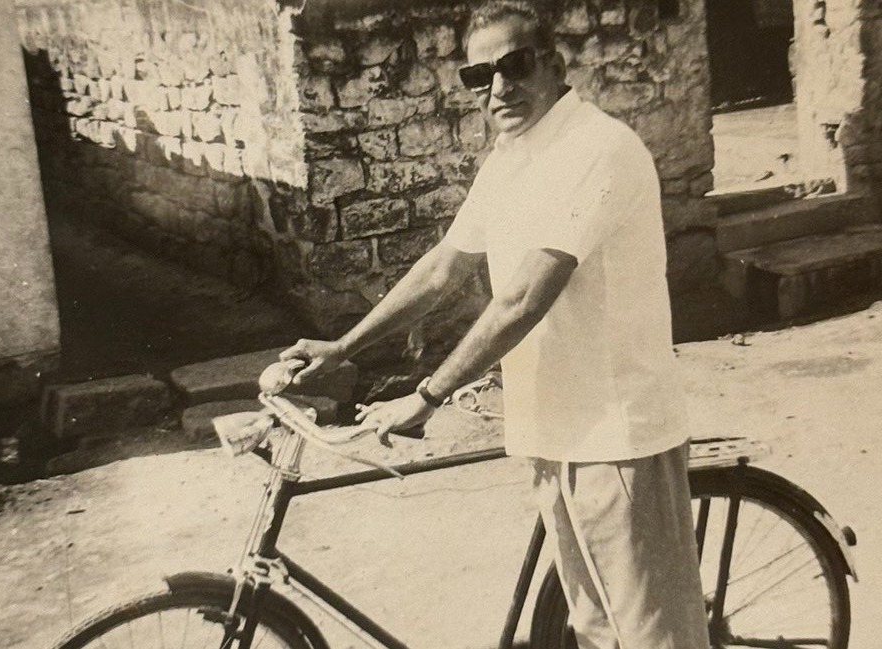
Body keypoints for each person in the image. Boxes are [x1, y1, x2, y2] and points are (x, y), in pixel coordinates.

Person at [269, 1, 710, 646]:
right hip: (551, 427)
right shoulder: (513, 155)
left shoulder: (598, 149)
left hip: (618, 435)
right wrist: (342, 347)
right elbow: (444, 268)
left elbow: (524, 297)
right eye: (480, 76)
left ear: (554, 65)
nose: (499, 87)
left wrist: (426, 396)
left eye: (515, 65)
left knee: (656, 640)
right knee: (595, 633)